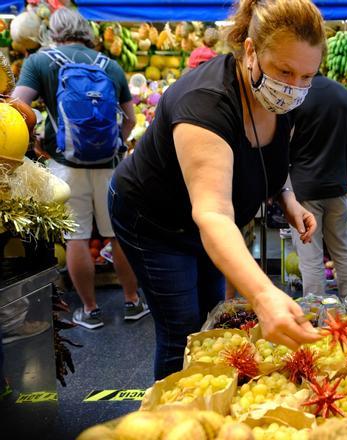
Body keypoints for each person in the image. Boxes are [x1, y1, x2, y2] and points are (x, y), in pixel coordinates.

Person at [109, 0, 326, 379]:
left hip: (206, 226)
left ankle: (213, 404)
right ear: (251, 51)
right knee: (184, 331)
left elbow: (272, 157)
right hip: (153, 219)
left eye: (307, 76)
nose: (294, 87)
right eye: (285, 71)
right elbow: (213, 213)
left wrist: (286, 197)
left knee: (213, 316)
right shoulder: (206, 101)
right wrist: (263, 295)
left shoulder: (283, 96)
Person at [12, 8, 146, 330]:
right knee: (118, 236)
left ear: (53, 32)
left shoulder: (40, 62)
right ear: (87, 31)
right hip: (110, 167)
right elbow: (129, 118)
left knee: (77, 238)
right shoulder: (109, 65)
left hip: (67, 166)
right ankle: (132, 301)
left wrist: (36, 141)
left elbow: (16, 107)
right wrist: (119, 142)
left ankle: (90, 310)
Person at [288, 75, 347, 298]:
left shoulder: (295, 95)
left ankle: (316, 314)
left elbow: (283, 145)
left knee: (311, 257)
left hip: (304, 191)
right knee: (344, 251)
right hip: (336, 188)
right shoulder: (343, 94)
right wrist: (345, 179)